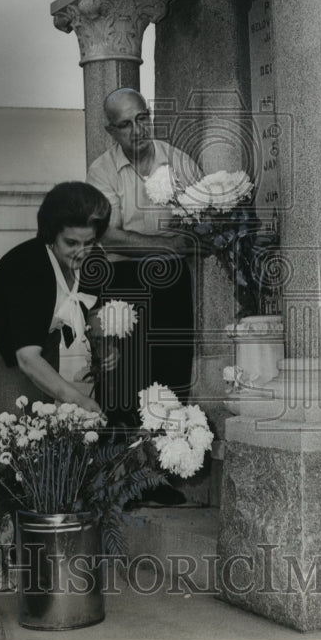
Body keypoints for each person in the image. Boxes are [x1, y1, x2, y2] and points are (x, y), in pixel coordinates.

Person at [86, 88, 203, 428]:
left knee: (173, 379)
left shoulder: (178, 161)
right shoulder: (101, 171)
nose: (137, 131)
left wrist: (176, 245)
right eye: (125, 125)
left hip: (172, 283)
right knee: (124, 383)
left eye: (142, 119)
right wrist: (169, 245)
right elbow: (109, 235)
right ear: (111, 131)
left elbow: (201, 225)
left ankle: (169, 469)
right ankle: (127, 472)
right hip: (123, 284)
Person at [0, 182, 112, 420]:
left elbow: (94, 308)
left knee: (42, 411)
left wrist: (103, 346)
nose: (82, 252)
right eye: (71, 243)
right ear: (51, 236)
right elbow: (28, 358)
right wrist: (78, 398)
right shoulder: (30, 270)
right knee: (15, 415)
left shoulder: (95, 260)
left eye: (89, 242)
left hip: (41, 329)